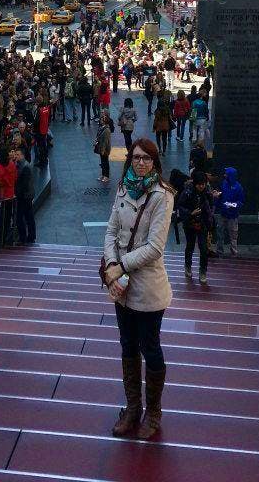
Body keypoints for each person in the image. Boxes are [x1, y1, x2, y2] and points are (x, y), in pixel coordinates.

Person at [103, 138, 175, 440]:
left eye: (146, 158)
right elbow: (110, 230)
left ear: (155, 162)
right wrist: (110, 265)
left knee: (150, 348)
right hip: (122, 287)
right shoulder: (123, 188)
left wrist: (121, 266)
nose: (140, 163)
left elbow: (155, 247)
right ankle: (132, 408)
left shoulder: (162, 195)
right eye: (136, 158)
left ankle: (153, 412)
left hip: (147, 288)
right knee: (127, 346)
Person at [176, 170, 212, 283]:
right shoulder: (187, 192)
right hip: (190, 223)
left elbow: (210, 209)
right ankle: (188, 265)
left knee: (203, 248)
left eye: (203, 184)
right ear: (195, 184)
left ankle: (203, 271)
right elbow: (180, 206)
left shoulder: (207, 193)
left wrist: (210, 224)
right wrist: (191, 213)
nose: (201, 186)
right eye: (199, 184)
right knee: (190, 245)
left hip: (202, 223)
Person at [214, 167, 244, 256]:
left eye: (226, 174)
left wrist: (231, 205)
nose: (224, 175)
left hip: (233, 215)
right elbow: (221, 196)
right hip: (223, 213)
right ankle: (219, 251)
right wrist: (217, 197)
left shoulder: (238, 187)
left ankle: (234, 251)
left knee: (233, 235)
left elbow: (241, 202)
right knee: (220, 234)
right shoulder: (224, 184)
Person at [14, 149, 36, 246]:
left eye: (18, 154)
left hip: (25, 196)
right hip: (27, 195)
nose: (16, 156)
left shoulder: (24, 167)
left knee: (21, 217)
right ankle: (31, 236)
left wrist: (17, 193)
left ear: (22, 155)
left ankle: (23, 238)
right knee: (29, 216)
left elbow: (24, 184)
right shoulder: (23, 165)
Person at [95, 109, 113, 184]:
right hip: (101, 147)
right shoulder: (102, 128)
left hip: (105, 149)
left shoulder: (106, 130)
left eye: (102, 120)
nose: (100, 120)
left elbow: (105, 142)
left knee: (105, 162)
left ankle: (106, 176)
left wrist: (102, 150)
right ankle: (103, 175)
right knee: (102, 162)